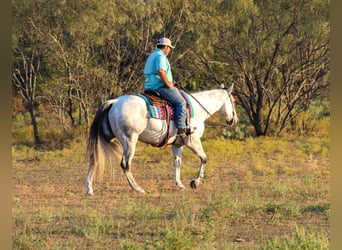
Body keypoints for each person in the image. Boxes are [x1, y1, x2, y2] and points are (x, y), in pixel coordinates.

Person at [144, 37, 187, 141]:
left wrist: (171, 82)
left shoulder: (153, 55)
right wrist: (168, 83)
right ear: (166, 47)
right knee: (181, 102)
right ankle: (181, 128)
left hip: (150, 86)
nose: (169, 50)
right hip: (160, 86)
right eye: (169, 48)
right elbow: (161, 71)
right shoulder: (160, 56)